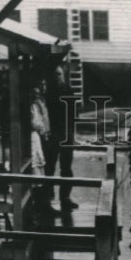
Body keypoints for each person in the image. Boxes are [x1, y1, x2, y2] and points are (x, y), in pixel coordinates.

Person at [46, 65, 78, 212]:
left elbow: (73, 114)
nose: (58, 77)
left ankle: (65, 197)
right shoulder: (48, 92)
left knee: (66, 167)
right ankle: (48, 199)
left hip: (66, 132)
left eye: (59, 74)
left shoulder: (69, 90)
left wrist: (72, 134)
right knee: (49, 167)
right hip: (52, 133)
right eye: (55, 74)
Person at [29, 78, 61, 221]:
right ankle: (40, 205)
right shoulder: (34, 103)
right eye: (39, 86)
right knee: (39, 172)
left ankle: (45, 203)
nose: (41, 88)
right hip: (39, 138)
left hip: (45, 136)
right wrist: (43, 132)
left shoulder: (42, 101)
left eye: (43, 85)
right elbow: (35, 122)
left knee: (47, 171)